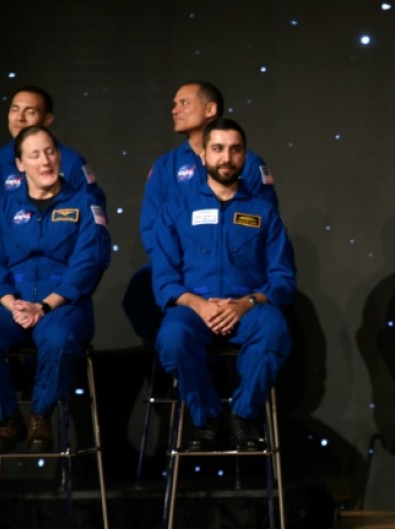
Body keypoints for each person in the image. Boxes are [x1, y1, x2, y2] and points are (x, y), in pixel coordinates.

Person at [151, 118, 294, 451]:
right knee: (172, 339)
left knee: (275, 331)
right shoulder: (175, 210)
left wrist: (245, 304)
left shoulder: (265, 213)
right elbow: (164, 280)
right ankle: (207, 419)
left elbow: (283, 278)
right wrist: (200, 305)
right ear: (203, 155)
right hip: (193, 310)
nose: (226, 157)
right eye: (217, 149)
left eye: (235, 150)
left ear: (245, 156)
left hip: (248, 309)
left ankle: (243, 416)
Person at [0, 125, 111, 453]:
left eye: (50, 152)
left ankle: (40, 416)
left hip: (63, 305)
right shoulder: (1, 210)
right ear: (20, 165)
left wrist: (45, 306)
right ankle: (7, 419)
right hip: (13, 306)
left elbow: (88, 263)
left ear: (60, 156)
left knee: (57, 337)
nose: (45, 161)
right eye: (35, 155)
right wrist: (14, 306)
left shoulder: (84, 206)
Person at [123, 80, 278, 345]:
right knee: (145, 292)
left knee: (273, 326)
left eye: (184, 103)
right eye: (174, 104)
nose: (175, 110)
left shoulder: (249, 164)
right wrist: (186, 278)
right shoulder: (165, 166)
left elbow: (265, 226)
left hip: (238, 280)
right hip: (183, 275)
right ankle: (175, 374)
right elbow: (151, 227)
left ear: (211, 109)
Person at [0, 84, 106, 309]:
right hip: (5, 286)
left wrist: (66, 296)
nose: (20, 118)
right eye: (15, 109)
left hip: (58, 286)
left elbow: (92, 233)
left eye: (30, 111)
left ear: (47, 119)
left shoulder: (71, 162)